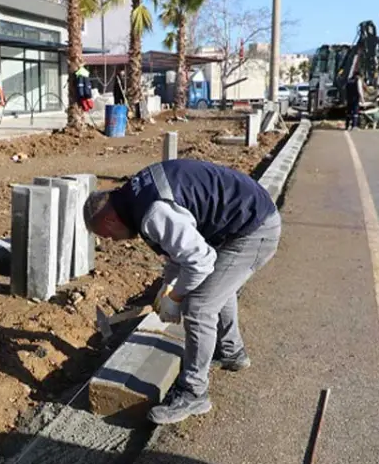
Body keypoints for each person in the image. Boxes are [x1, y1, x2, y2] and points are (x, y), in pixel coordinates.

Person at [82, 159, 282, 425]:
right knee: (217, 287)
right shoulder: (134, 196)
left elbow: (200, 262)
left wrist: (176, 297)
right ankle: (231, 352)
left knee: (198, 306)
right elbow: (177, 251)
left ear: (110, 219)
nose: (112, 241)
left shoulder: (153, 213)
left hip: (253, 230)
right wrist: (167, 286)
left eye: (107, 235)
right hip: (241, 221)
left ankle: (193, 393)